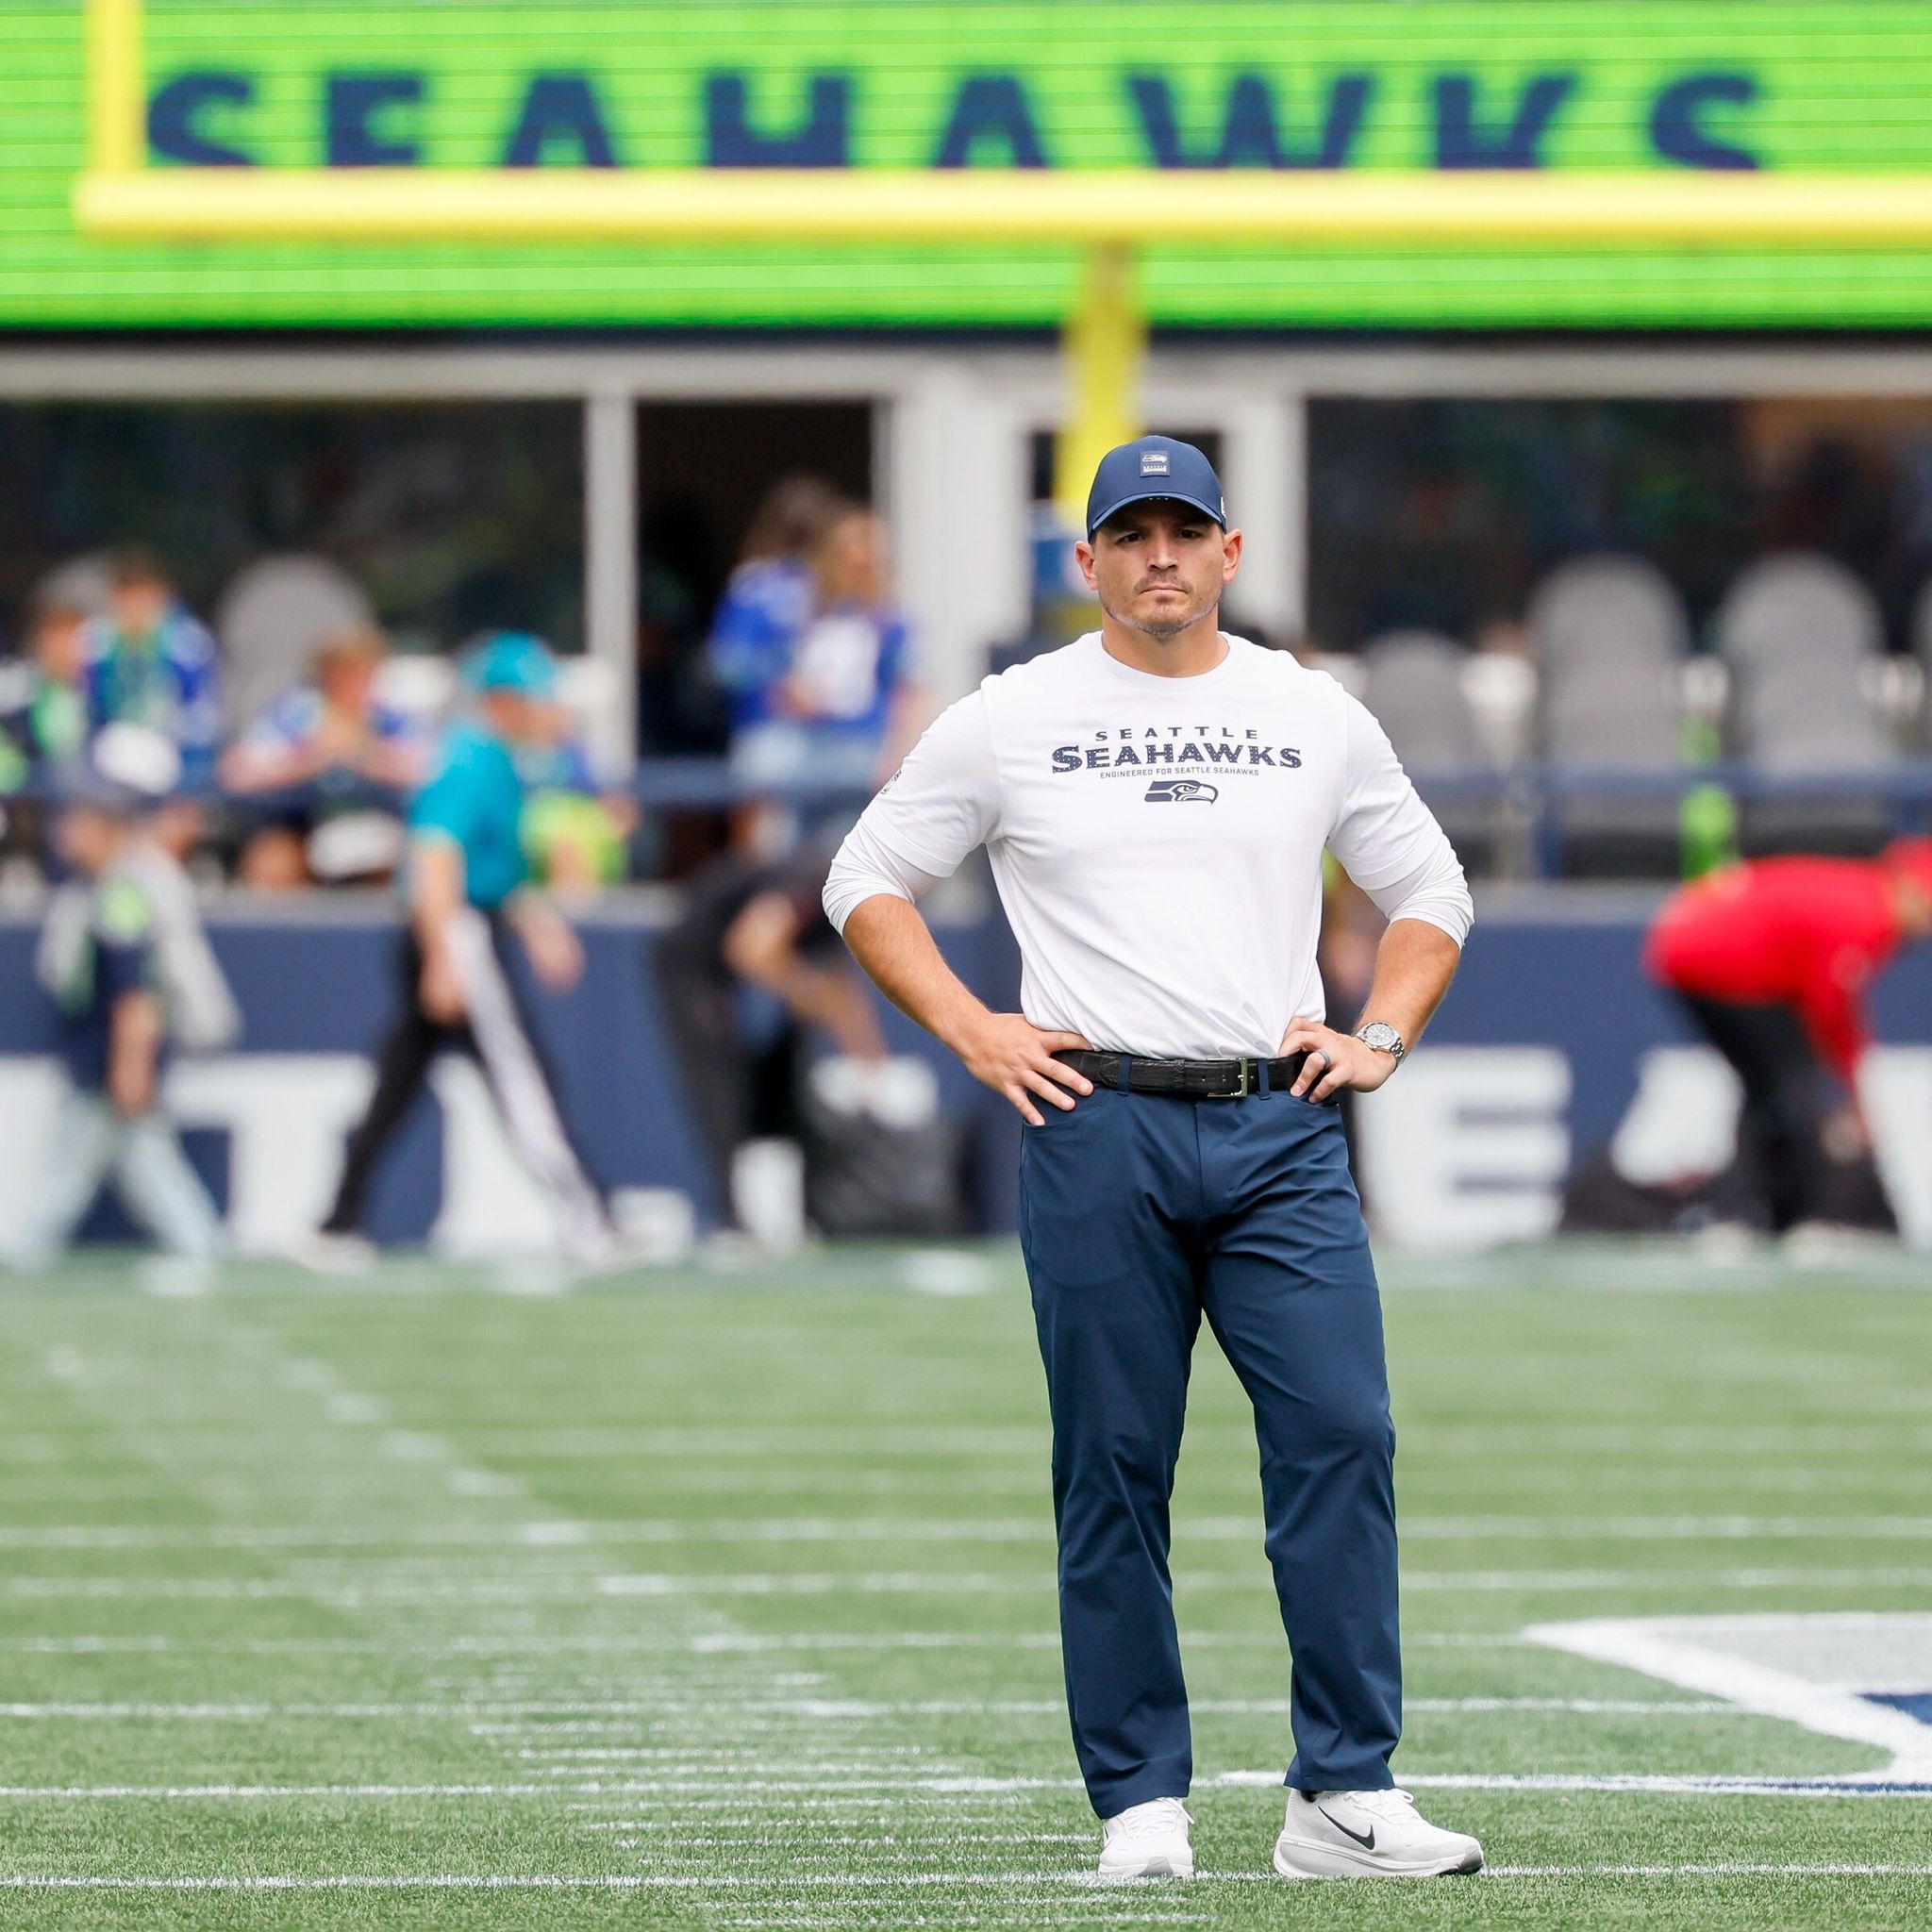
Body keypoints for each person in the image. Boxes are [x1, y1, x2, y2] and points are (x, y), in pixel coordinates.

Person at [824, 437, 1481, 1882]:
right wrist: (972, 1029)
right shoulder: (1012, 716)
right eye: (1133, 534)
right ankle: (1141, 1804)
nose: (1162, 557)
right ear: (1090, 563)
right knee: (1114, 1467)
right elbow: (863, 877)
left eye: (1187, 531)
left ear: (1231, 554)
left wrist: (1381, 1032)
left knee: (1343, 1436)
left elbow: (1430, 886)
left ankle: (1344, 1795)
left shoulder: (1310, 710)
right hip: (1094, 1120)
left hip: (1278, 1125)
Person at [303, 633, 620, 1271]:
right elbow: (434, 857)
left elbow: (495, 867)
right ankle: (590, 1219)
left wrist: (538, 927)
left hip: (465, 926)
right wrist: (446, 955)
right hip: (458, 932)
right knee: (521, 1076)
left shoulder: (495, 761)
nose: (545, 714)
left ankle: (340, 1220)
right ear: (502, 701)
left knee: (398, 1082)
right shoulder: (471, 759)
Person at [13, 725, 238, 1266]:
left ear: (107, 826)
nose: (65, 831)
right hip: (103, 1061)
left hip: (106, 1063)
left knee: (83, 1172)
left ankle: (30, 1258)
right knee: (143, 1165)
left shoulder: (123, 893)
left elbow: (134, 990)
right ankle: (200, 1250)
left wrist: (130, 1063)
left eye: (78, 819)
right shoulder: (107, 886)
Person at [1644, 842, 1932, 1239]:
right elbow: (1829, 1009)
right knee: (1796, 1082)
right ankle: (1804, 1218)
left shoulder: (1859, 896)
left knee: (1768, 1085)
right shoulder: (1870, 914)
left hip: (1685, 950)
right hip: (1718, 962)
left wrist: (1854, 1088)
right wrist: (1855, 1093)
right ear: (1908, 887)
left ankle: (1749, 1214)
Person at [653, 839, 888, 1227]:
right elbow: (750, 949)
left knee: (784, 1071)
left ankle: (790, 1209)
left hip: (726, 973)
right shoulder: (811, 880)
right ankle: (730, 1219)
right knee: (718, 1088)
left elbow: (846, 993)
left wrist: (871, 1069)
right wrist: (807, 991)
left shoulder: (845, 908)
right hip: (690, 964)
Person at [219, 627, 427, 889]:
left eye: (363, 674)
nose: (354, 685)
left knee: (415, 865)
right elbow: (237, 775)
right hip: (300, 825)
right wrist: (312, 759)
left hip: (379, 824)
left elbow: (429, 773)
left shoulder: (391, 715)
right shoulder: (295, 713)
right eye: (343, 674)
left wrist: (367, 757)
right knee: (271, 862)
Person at [79, 551, 223, 789]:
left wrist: (188, 754)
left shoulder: (185, 642)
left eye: (143, 598)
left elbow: (202, 714)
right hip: (113, 749)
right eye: (127, 599)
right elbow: (91, 708)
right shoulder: (99, 643)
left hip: (177, 748)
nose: (135, 610)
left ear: (160, 597)